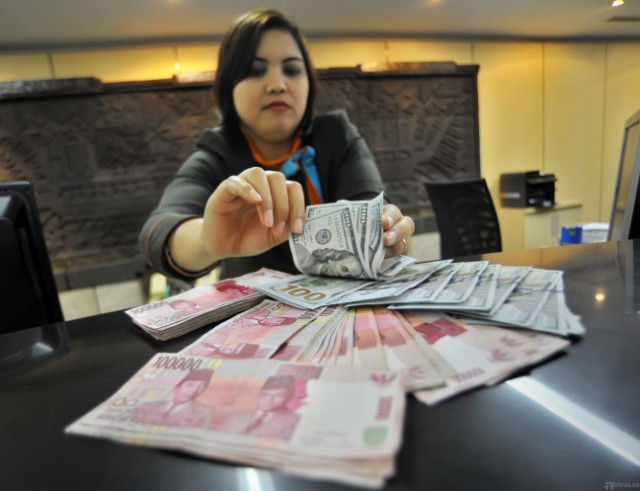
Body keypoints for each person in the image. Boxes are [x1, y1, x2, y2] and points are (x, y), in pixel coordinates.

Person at [139, 8, 415, 281]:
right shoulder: (216, 153)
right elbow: (159, 230)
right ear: (228, 87)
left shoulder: (337, 136)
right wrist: (206, 240)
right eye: (255, 71)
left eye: (292, 70)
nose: (277, 84)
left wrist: (388, 234)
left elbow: (371, 203)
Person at [217, 375, 300, 440]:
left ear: (288, 397)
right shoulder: (235, 416)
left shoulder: (294, 421)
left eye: (278, 395)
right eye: (264, 395)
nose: (269, 400)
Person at [132, 369, 214, 428]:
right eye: (190, 385)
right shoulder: (146, 406)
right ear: (176, 387)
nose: (194, 390)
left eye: (201, 387)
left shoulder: (204, 412)